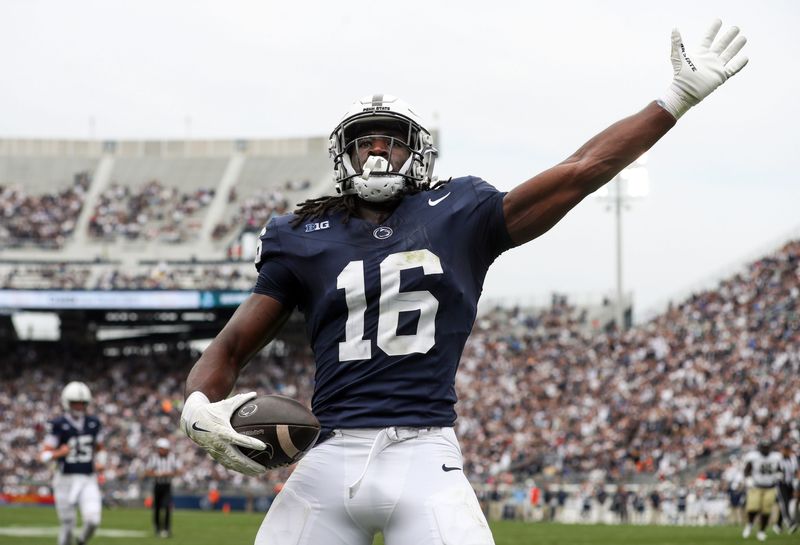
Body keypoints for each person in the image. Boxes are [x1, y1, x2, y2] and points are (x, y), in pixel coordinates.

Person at [180, 19, 748, 545]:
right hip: (327, 455)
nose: (378, 152)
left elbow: (580, 171)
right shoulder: (303, 233)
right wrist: (199, 404)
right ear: (343, 155)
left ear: (418, 151)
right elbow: (231, 346)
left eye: (392, 140)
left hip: (425, 454)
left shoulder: (460, 212)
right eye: (365, 142)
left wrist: (674, 101)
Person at [39, 381, 106, 545]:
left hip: (87, 478)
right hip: (64, 479)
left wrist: (101, 462)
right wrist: (59, 453)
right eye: (75, 402)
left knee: (93, 520)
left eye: (82, 403)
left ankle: (81, 541)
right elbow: (44, 455)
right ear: (66, 402)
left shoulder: (94, 423)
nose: (78, 406)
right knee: (68, 525)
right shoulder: (58, 425)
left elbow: (100, 448)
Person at [742, 440, 783, 541]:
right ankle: (750, 525)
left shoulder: (776, 457)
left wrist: (779, 475)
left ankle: (761, 531)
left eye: (767, 448)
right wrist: (748, 479)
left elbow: (780, 469)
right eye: (763, 448)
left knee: (766, 511)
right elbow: (747, 470)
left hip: (770, 487)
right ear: (759, 448)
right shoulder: (754, 457)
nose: (765, 450)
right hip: (756, 486)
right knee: (753, 508)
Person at [145, 437, 181, 538]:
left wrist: (168, 473)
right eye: (159, 448)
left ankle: (166, 528)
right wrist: (157, 474)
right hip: (157, 485)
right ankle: (157, 528)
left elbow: (179, 471)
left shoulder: (172, 457)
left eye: (162, 448)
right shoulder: (154, 457)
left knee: (167, 507)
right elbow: (147, 471)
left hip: (167, 485)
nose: (160, 450)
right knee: (156, 508)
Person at [775, 443, 798, 534]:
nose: (787, 452)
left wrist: (796, 480)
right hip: (781, 484)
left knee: (787, 504)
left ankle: (778, 524)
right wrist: (778, 475)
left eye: (788, 450)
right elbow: (776, 470)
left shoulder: (793, 458)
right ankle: (790, 523)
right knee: (785, 503)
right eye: (785, 449)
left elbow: (796, 470)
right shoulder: (778, 459)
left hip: (790, 483)